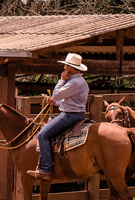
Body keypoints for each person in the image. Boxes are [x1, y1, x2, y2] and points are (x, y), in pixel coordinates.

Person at [27, 53, 90, 181]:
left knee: (42, 135)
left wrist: (61, 80)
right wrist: (56, 103)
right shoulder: (81, 82)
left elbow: (56, 94)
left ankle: (45, 169)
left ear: (71, 68)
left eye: (66, 66)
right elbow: (70, 101)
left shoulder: (73, 83)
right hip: (77, 114)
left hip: (69, 116)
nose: (64, 69)